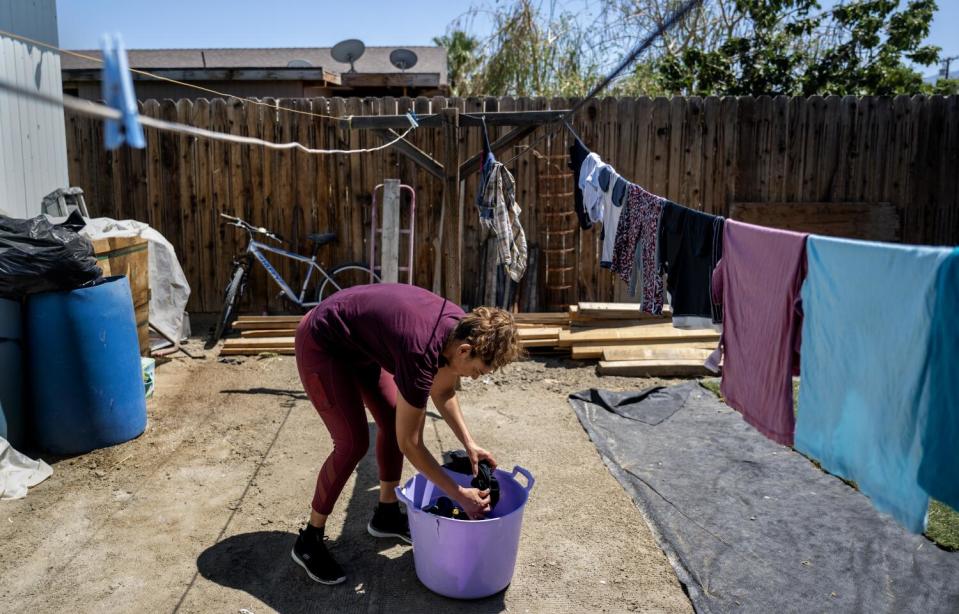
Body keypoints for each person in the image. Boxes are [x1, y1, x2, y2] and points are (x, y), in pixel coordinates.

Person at [290, 283, 523, 584]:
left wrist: (470, 444)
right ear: (465, 351)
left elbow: (444, 389)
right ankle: (310, 539)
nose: (476, 378)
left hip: (358, 346)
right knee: (352, 443)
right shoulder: (421, 352)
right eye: (477, 371)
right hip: (322, 343)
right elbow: (410, 444)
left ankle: (386, 514)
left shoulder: (459, 328)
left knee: (390, 418)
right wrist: (458, 494)